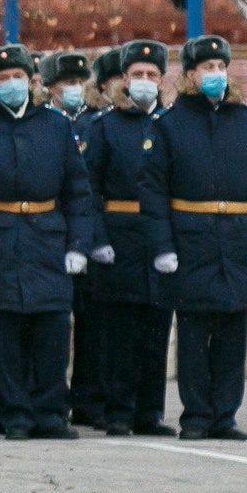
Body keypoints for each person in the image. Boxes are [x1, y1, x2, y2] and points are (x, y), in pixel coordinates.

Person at [0, 44, 99, 440]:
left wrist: (78, 246)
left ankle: (49, 413)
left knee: (51, 331)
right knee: (5, 334)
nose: (11, 84)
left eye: (18, 77)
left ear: (32, 81)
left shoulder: (56, 126)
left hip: (47, 238)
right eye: (2, 79)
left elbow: (79, 191)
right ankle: (14, 413)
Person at [142, 35, 247, 441]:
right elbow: (153, 193)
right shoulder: (169, 125)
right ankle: (197, 416)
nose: (216, 75)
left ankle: (225, 415)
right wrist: (163, 247)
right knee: (193, 334)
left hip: (239, 240)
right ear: (190, 74)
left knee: (232, 334)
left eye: (221, 68)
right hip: (191, 243)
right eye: (207, 68)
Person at [84, 40, 177, 435]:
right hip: (120, 238)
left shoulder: (172, 125)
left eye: (151, 75)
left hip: (160, 240)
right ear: (123, 80)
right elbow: (88, 189)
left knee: (156, 330)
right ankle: (118, 410)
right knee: (119, 332)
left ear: (162, 80)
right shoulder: (105, 127)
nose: (143, 81)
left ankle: (149, 412)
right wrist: (98, 239)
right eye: (136, 75)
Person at [45, 50, 107, 425]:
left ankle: (89, 401)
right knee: (54, 325)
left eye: (79, 82)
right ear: (50, 87)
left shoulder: (95, 124)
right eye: (67, 83)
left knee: (94, 326)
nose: (74, 90)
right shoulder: (48, 123)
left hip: (87, 233)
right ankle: (55, 398)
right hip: (50, 233)